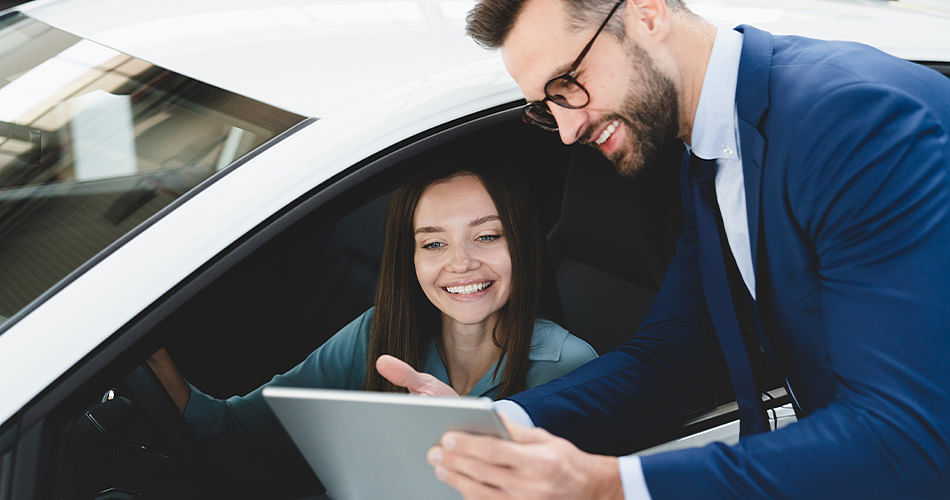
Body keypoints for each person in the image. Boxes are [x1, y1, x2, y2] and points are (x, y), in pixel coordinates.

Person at [377, 0, 950, 497]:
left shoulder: (856, 121)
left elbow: (910, 435)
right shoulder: (709, 151)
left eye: (568, 85)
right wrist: (488, 428)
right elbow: (678, 353)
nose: (568, 129)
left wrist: (607, 487)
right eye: (545, 106)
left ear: (646, 13)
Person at [147, 167, 597, 475]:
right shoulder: (377, 334)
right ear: (411, 258)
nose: (462, 263)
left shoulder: (568, 365)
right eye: (434, 244)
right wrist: (146, 357)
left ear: (522, 245)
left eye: (486, 236)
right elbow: (242, 433)